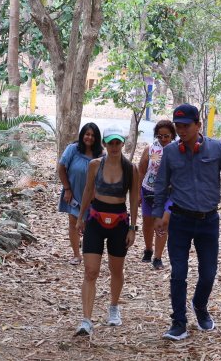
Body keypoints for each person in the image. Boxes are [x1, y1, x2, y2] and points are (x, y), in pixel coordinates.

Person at [151, 103, 221, 341]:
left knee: (208, 273)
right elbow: (161, 185)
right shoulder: (171, 152)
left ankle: (200, 306)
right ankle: (178, 322)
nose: (181, 130)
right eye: (178, 126)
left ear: (198, 125)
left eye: (185, 126)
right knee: (178, 273)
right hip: (180, 220)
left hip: (208, 221)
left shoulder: (217, 149)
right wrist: (157, 216)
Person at [73, 132, 140, 336]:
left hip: (119, 222)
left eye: (118, 143)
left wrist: (133, 228)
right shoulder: (95, 165)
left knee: (116, 269)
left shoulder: (131, 168)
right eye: (110, 143)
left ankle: (113, 307)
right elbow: (87, 190)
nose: (114, 146)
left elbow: (135, 197)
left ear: (122, 144)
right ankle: (86, 320)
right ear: (104, 144)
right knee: (90, 271)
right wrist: (80, 217)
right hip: (95, 219)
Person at [57, 122, 102, 265]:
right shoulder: (72, 149)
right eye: (87, 134)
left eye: (93, 135)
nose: (89, 137)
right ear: (82, 135)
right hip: (73, 192)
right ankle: (76, 254)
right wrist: (67, 189)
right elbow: (61, 168)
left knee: (90, 225)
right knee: (73, 223)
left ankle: (89, 254)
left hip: (92, 196)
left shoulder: (101, 155)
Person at [137, 119, 176, 269]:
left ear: (172, 135)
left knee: (163, 223)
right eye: (160, 136)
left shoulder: (178, 150)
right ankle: (148, 249)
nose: (163, 139)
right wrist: (138, 193)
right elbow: (141, 170)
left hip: (169, 193)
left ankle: (158, 257)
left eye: (166, 136)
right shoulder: (151, 149)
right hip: (148, 190)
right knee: (147, 222)